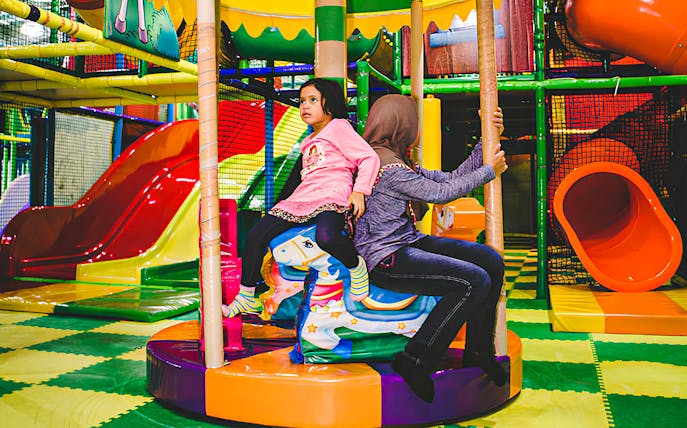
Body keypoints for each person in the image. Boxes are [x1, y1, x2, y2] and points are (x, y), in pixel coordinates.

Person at [354, 94, 508, 403]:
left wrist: (487, 139)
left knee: (489, 261)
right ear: (401, 125)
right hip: (386, 257)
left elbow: (451, 178)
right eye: (414, 122)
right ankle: (416, 359)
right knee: (472, 281)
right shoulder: (386, 166)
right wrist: (489, 170)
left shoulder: (398, 161)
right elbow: (442, 193)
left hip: (406, 241)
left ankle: (479, 352)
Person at [223, 78, 380, 318]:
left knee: (326, 237)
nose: (304, 106)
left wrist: (360, 190)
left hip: (332, 193)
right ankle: (246, 295)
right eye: (302, 101)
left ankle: (356, 265)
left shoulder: (339, 127)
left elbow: (369, 158)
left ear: (331, 103)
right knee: (256, 234)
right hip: (305, 197)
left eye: (313, 100)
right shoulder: (308, 141)